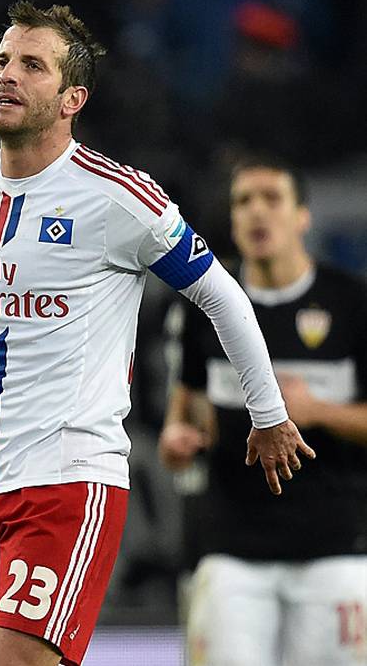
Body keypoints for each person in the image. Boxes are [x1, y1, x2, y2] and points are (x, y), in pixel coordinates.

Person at [0, 1, 315, 666]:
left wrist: (269, 412)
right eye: (2, 62)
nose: (8, 76)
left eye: (32, 65)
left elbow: (220, 293)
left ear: (71, 98)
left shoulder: (117, 196)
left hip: (66, 480)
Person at [160, 157, 367, 666]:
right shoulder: (204, 304)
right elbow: (182, 410)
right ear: (231, 221)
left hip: (335, 546)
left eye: (272, 199)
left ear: (302, 216)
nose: (257, 213)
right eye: (243, 201)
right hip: (231, 551)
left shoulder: (353, 303)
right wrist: (176, 440)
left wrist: (316, 410)